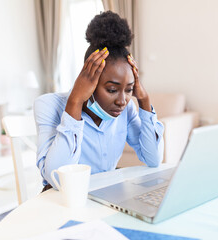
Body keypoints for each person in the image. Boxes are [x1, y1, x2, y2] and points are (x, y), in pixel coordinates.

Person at [34, 11, 164, 191]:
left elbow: (154, 159)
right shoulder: (48, 105)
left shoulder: (127, 109)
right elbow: (57, 178)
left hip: (106, 197)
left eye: (128, 90)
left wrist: (144, 99)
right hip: (63, 201)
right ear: (89, 79)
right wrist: (75, 101)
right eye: (112, 89)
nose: (122, 101)